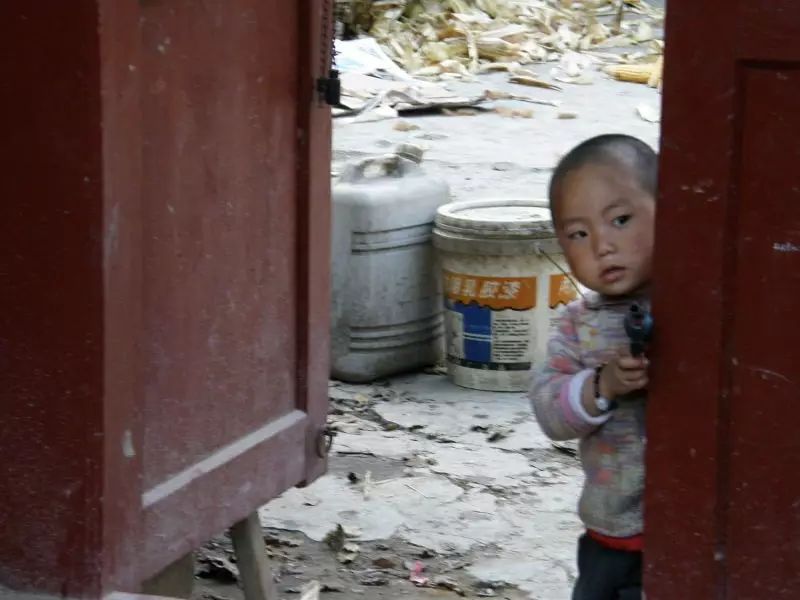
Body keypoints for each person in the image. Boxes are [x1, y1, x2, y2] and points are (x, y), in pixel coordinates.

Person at [529, 134, 657, 600]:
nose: (603, 246)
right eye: (579, 234)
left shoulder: (703, 302)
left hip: (702, 524)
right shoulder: (578, 326)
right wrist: (601, 385)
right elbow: (549, 410)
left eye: (620, 220)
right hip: (615, 533)